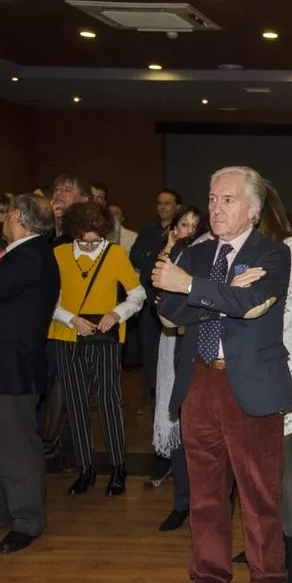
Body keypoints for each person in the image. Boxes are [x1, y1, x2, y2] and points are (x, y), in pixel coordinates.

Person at [154, 166, 291, 583]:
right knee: (206, 494)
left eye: (228, 200)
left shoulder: (272, 253)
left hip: (249, 386)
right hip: (199, 384)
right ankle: (209, 582)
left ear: (253, 209)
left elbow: (253, 307)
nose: (216, 208)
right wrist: (220, 293)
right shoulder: (195, 254)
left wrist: (193, 289)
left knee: (259, 495)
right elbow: (168, 316)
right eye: (212, 199)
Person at [232, 180, 292, 583]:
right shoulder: (239, 250)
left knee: (283, 462)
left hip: (283, 366)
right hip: (245, 367)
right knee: (252, 464)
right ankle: (264, 542)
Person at [50, 202, 146, 497]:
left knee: (108, 401)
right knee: (76, 403)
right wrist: (71, 319)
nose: (91, 246)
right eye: (84, 241)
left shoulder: (114, 254)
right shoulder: (58, 254)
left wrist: (116, 313)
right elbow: (47, 299)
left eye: (96, 241)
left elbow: (137, 294)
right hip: (66, 335)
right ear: (74, 234)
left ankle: (118, 468)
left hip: (105, 337)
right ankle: (85, 468)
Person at [0, 194, 59, 554]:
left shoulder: (29, 257)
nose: (0, 219)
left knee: (16, 448)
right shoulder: (26, 255)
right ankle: (0, 509)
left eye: (6, 214)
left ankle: (28, 520)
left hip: (12, 369)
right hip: (3, 366)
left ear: (17, 216)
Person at [150, 205, 207, 531]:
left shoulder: (209, 256)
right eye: (183, 224)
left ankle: (208, 504)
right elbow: (158, 299)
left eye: (194, 225)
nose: (189, 230)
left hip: (202, 347)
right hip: (173, 345)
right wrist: (169, 251)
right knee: (179, 424)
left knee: (203, 432)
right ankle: (182, 501)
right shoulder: (172, 256)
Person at [131, 188, 182, 413]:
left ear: (177, 207)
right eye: (159, 203)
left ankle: (174, 395)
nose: (162, 207)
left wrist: (151, 256)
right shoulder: (147, 231)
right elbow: (135, 256)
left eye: (167, 203)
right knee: (149, 347)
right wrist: (157, 258)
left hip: (175, 300)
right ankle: (149, 393)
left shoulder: (181, 230)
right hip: (150, 299)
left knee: (175, 348)